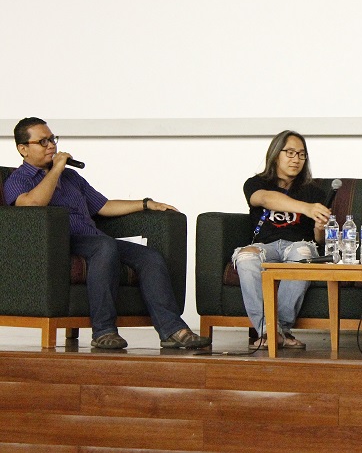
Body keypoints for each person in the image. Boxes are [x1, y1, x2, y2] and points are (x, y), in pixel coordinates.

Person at [4, 117, 211, 350]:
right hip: (58, 244)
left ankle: (172, 330)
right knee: (104, 246)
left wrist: (145, 203)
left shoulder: (71, 178)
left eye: (52, 139)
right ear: (23, 149)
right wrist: (58, 168)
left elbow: (103, 206)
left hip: (93, 241)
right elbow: (32, 206)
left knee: (149, 257)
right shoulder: (18, 179)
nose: (51, 145)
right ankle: (103, 331)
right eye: (43, 141)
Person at [232, 130, 330, 350]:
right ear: (276, 154)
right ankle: (269, 331)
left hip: (299, 245)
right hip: (264, 246)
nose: (296, 159)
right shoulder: (255, 183)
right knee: (246, 258)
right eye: (290, 153)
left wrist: (320, 228)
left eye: (301, 154)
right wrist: (306, 208)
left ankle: (280, 330)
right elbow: (266, 199)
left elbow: (319, 240)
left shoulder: (313, 192)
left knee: (303, 254)